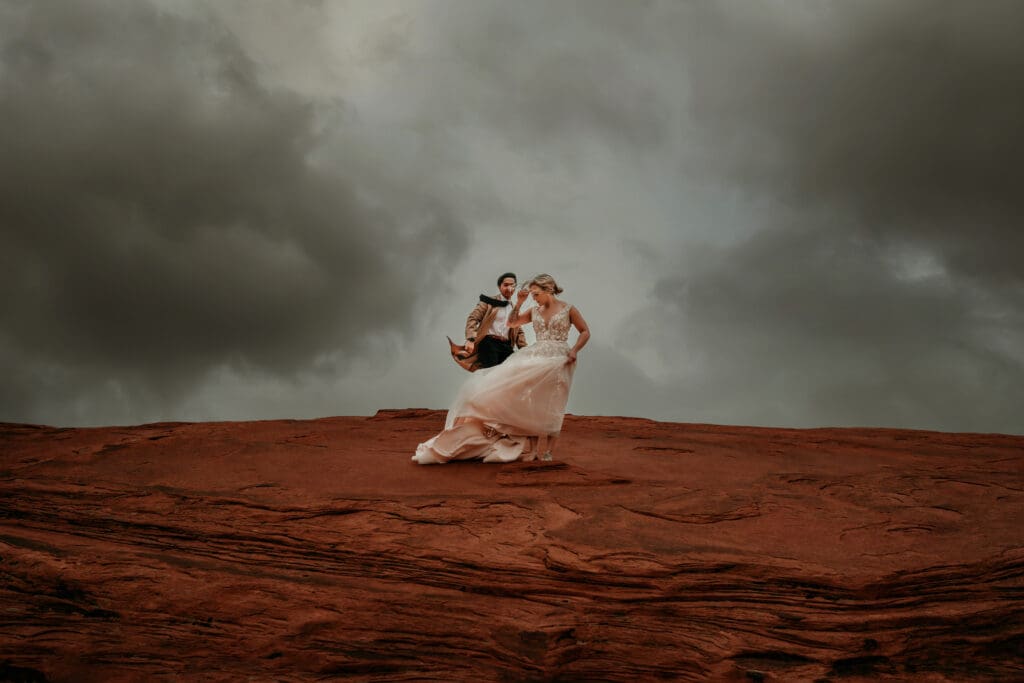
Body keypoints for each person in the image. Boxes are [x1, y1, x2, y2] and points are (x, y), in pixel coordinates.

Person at [414, 274, 591, 464]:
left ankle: (548, 451)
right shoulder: (534, 310)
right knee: (530, 401)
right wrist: (519, 303)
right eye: (531, 294)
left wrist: (574, 350)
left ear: (548, 290)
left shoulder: (568, 309)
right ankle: (531, 451)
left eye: (536, 294)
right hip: (537, 356)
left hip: (560, 359)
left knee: (554, 402)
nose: (534, 298)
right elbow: (512, 323)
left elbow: (585, 331)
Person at [456, 272, 527, 370]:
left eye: (512, 285)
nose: (509, 288)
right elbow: (473, 318)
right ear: (499, 286)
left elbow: (518, 330)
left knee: (510, 374)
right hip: (489, 343)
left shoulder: (514, 308)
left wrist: (525, 350)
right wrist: (470, 339)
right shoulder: (488, 301)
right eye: (506, 285)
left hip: (507, 346)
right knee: (491, 374)